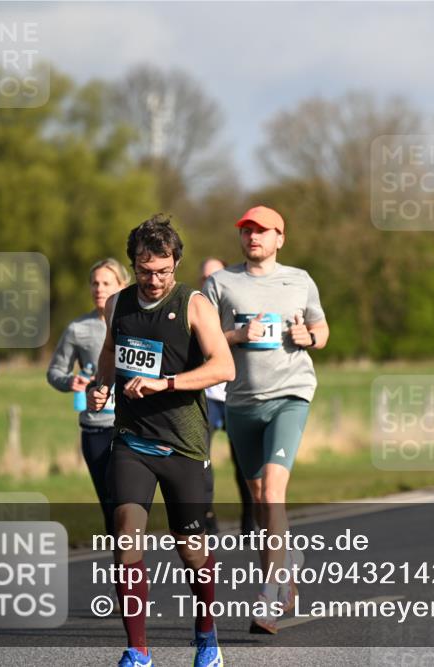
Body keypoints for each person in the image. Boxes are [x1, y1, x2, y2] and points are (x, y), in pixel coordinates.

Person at [88, 215, 235, 667]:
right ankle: (138, 650)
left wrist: (165, 384)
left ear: (176, 264)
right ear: (134, 264)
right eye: (145, 270)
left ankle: (207, 634)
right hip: (132, 441)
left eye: (163, 271)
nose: (154, 280)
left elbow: (223, 368)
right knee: (125, 538)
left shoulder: (193, 305)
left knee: (191, 550)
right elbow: (111, 354)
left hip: (184, 445)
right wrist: (100, 385)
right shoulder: (118, 304)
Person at [203, 205, 329, 634]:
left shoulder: (300, 279)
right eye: (246, 231)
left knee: (273, 492)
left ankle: (271, 594)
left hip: (290, 395)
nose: (253, 237)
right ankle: (287, 561)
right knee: (259, 502)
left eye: (262, 231)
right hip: (241, 401)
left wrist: (307, 337)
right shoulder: (220, 283)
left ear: (280, 237)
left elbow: (322, 329)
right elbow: (197, 340)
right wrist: (236, 336)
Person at [46, 258, 129, 536]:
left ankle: (133, 569)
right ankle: (125, 575)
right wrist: (72, 381)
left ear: (122, 285)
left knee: (129, 505)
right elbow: (54, 371)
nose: (99, 288)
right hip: (96, 427)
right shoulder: (77, 329)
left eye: (107, 283)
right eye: (94, 283)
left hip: (134, 426)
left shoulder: (137, 322)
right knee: (110, 505)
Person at [199, 257, 255, 537]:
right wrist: (237, 335)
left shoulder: (236, 304)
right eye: (203, 278)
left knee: (243, 461)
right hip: (206, 397)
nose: (208, 283)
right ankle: (207, 516)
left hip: (235, 394)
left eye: (214, 277)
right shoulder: (195, 309)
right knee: (201, 462)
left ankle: (250, 517)